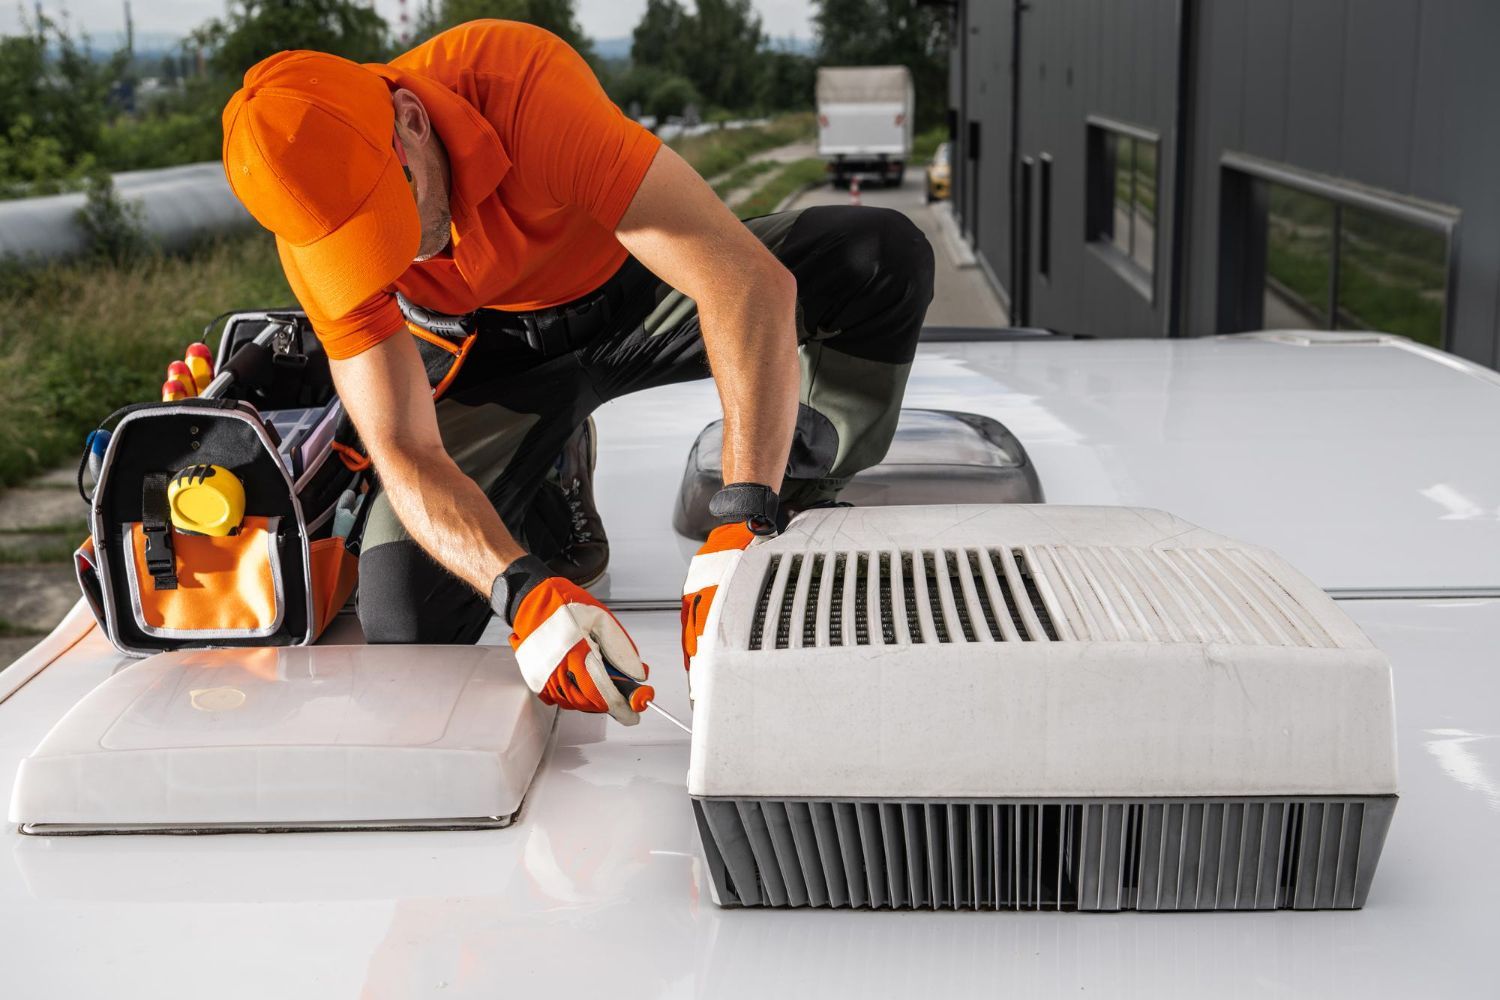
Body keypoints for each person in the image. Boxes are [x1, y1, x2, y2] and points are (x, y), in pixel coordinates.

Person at [220, 19, 934, 726]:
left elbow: (744, 282)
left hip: (641, 292)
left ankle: (789, 499)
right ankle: (555, 459)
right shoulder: (314, 239)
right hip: (496, 360)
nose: (397, 260)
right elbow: (403, 447)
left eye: (387, 217)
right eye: (360, 247)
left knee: (878, 258)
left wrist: (742, 515)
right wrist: (521, 591)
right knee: (405, 609)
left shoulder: (517, 82)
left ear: (410, 120)